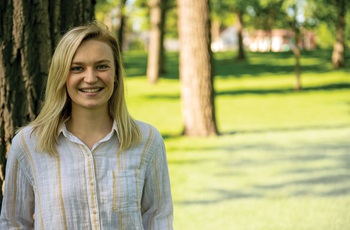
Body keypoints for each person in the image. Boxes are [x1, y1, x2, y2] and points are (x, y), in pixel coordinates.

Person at [0, 22, 173, 229]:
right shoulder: (28, 145)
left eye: (101, 66)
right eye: (77, 68)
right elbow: (14, 224)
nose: (90, 78)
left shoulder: (147, 141)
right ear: (62, 75)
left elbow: (158, 220)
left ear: (116, 73)